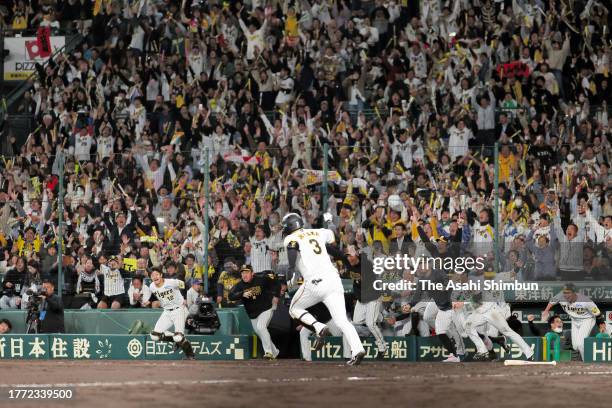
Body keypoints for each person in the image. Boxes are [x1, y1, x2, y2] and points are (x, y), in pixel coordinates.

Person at [282, 212, 366, 366]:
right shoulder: (319, 231)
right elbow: (332, 237)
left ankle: (319, 327)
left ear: (290, 226)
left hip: (315, 283)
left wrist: (291, 267)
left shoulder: (290, 238)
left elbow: (293, 247)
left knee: (294, 308)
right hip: (334, 280)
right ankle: (358, 349)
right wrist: (329, 222)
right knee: (342, 321)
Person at [229, 265, 280, 360]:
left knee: (261, 327)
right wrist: (241, 294)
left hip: (266, 308)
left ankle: (268, 352)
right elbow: (230, 296)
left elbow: (276, 281)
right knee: (260, 332)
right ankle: (275, 351)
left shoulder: (261, 279)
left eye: (247, 272)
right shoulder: (240, 285)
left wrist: (276, 296)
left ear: (252, 273)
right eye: (243, 273)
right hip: (253, 314)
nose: (244, 275)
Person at [542, 283, 602, 360]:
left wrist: (601, 324)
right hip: (574, 320)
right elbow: (551, 302)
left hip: (587, 320)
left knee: (580, 344)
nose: (566, 295)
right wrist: (546, 310)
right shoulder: (560, 296)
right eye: (564, 292)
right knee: (575, 346)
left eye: (568, 293)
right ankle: (586, 356)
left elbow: (597, 313)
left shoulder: (585, 301)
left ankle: (586, 362)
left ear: (574, 293)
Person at [149, 268, 195, 360]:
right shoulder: (152, 287)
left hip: (179, 310)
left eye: (157, 274)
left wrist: (185, 298)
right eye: (152, 275)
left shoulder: (171, 282)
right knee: (154, 336)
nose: (155, 277)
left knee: (178, 337)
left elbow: (184, 285)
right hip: (166, 312)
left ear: (161, 275)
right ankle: (176, 340)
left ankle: (190, 355)